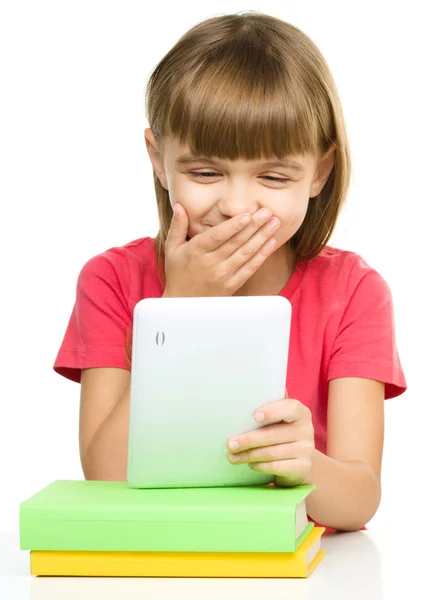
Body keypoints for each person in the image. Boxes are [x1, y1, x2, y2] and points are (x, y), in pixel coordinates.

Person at [53, 11, 406, 533]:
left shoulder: (352, 293)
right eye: (204, 172)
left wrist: (306, 465)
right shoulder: (111, 281)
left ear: (320, 172)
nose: (238, 206)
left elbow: (358, 503)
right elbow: (105, 479)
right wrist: (178, 311)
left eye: (273, 176)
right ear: (158, 159)